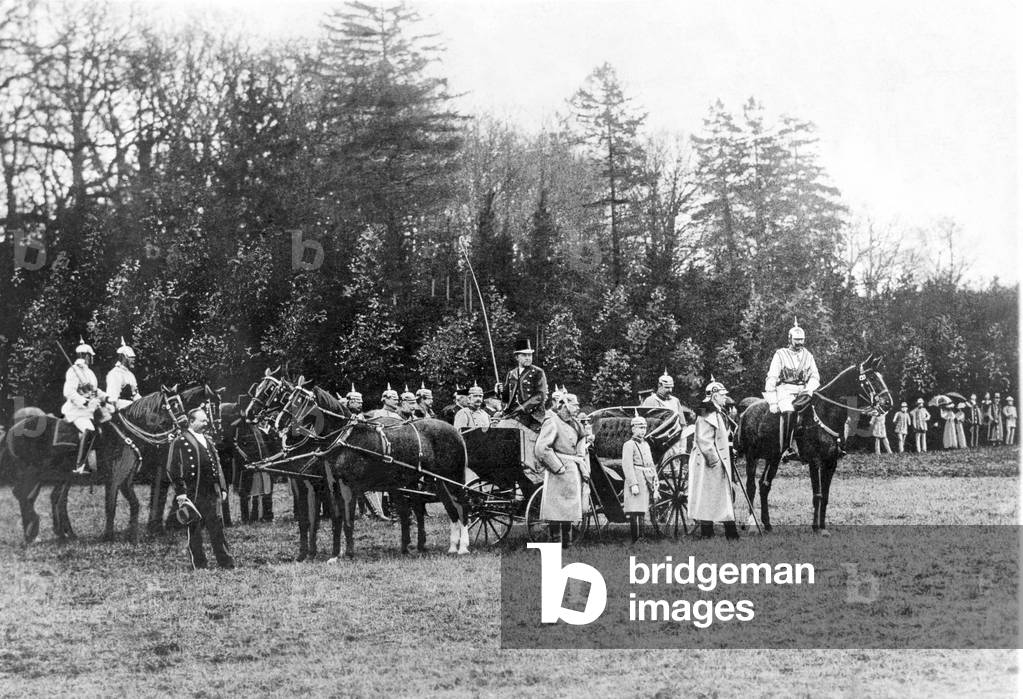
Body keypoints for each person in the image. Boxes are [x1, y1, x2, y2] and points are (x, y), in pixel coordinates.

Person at [168, 407, 235, 570]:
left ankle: (225, 562)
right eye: (202, 420)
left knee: (217, 527)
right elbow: (172, 468)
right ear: (191, 422)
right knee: (194, 529)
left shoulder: (208, 440)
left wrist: (223, 488)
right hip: (193, 491)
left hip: (212, 490)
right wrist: (181, 493)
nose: (206, 423)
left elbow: (217, 465)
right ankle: (200, 564)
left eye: (206, 420)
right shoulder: (180, 441)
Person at [534, 390, 587, 548]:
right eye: (574, 405)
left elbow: (582, 438)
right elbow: (541, 448)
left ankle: (567, 543)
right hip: (559, 472)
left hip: (573, 470)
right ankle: (555, 542)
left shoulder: (575, 423)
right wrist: (558, 467)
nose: (577, 408)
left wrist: (580, 455)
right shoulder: (552, 421)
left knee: (569, 510)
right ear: (564, 405)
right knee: (556, 511)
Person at [688, 378, 738, 540]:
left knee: (718, 495)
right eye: (722, 395)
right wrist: (714, 460)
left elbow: (721, 435)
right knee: (709, 496)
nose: (725, 398)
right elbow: (704, 439)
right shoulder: (706, 411)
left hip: (718, 459)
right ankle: (711, 532)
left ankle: (723, 532)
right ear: (714, 396)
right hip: (707, 462)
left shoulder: (717, 410)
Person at [764, 319, 820, 461]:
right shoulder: (780, 354)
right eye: (796, 340)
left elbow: (815, 376)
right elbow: (772, 376)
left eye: (801, 340)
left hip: (804, 391)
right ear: (790, 339)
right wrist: (772, 400)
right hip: (785, 390)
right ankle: (786, 448)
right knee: (789, 411)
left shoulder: (808, 356)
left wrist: (809, 389)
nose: (799, 343)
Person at [496, 338, 549, 483]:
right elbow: (506, 398)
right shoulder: (511, 374)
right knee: (499, 431)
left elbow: (540, 395)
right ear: (517, 357)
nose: (528, 358)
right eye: (524, 355)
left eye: (530, 355)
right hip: (513, 415)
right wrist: (500, 391)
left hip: (532, 416)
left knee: (529, 446)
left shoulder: (538, 372)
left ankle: (535, 474)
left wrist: (522, 408)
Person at [62, 337, 107, 474]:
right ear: (85, 356)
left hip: (90, 411)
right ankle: (80, 465)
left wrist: (106, 397)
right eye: (90, 356)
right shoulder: (73, 371)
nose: (92, 358)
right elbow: (68, 392)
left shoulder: (89, 372)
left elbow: (95, 391)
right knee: (90, 429)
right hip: (76, 411)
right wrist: (85, 401)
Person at [621, 412, 657, 542]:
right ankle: (635, 537)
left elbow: (651, 462)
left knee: (642, 508)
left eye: (644, 428)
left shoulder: (646, 444)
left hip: (645, 478)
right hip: (636, 478)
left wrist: (654, 478)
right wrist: (633, 484)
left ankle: (641, 536)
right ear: (633, 429)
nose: (642, 430)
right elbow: (627, 465)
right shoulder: (629, 445)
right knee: (635, 509)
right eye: (639, 427)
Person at [105, 337, 141, 412]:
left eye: (133, 357)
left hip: (134, 409)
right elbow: (113, 399)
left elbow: (136, 395)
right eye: (131, 357)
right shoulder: (115, 374)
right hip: (122, 410)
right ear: (124, 357)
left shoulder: (130, 375)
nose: (133, 360)